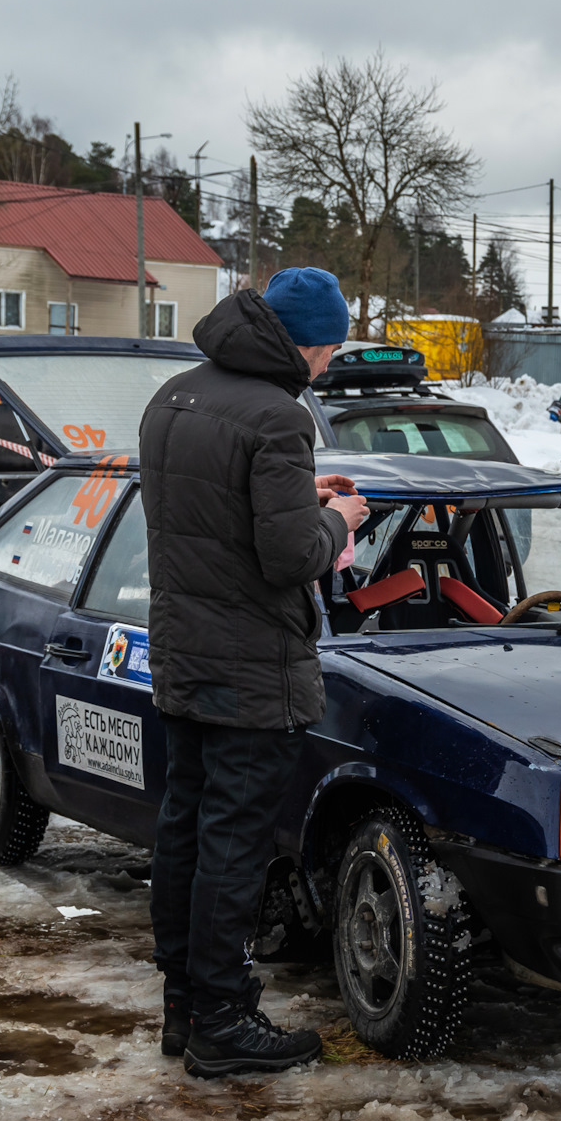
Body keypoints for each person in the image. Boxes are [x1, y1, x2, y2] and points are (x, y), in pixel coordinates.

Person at [140, 267, 370, 1077]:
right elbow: (290, 557)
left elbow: (206, 516)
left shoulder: (175, 395)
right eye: (332, 350)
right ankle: (224, 1023)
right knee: (233, 846)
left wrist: (293, 494)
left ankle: (184, 1007)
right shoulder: (279, 415)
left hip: (182, 651)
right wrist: (333, 516)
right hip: (250, 664)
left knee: (185, 832)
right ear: (309, 342)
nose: (330, 365)